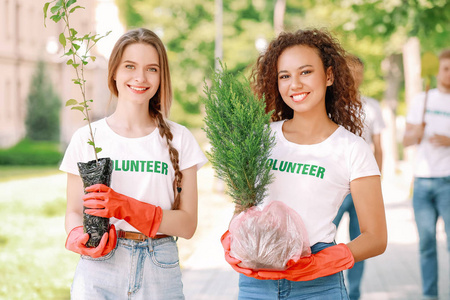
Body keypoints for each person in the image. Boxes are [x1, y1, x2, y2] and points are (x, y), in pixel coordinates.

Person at [221, 28, 387, 299]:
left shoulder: (352, 149)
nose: (294, 84)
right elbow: (243, 207)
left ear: (329, 76)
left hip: (318, 285)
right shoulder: (261, 137)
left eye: (305, 72)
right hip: (256, 282)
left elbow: (376, 238)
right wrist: (234, 240)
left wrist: (319, 264)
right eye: (284, 76)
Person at [59, 28, 207, 299]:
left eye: (152, 69)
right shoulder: (87, 138)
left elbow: (187, 225)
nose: (140, 77)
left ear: (162, 77)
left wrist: (127, 207)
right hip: (99, 267)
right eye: (130, 66)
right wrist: (76, 235)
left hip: (159, 267)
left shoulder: (180, 139)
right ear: (114, 71)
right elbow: (73, 211)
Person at [333, 54, 385, 300]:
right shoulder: (331, 105)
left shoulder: (372, 106)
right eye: (351, 72)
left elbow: (378, 147)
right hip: (336, 187)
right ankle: (328, 287)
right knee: (324, 239)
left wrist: (378, 181)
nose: (356, 77)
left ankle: (354, 293)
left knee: (361, 243)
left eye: (360, 73)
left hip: (362, 188)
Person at [403, 48, 450, 300]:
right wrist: (415, 134)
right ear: (439, 69)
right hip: (422, 183)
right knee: (426, 245)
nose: (449, 74)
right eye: (446, 68)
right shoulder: (422, 100)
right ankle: (430, 296)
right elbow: (406, 141)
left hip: (448, 182)